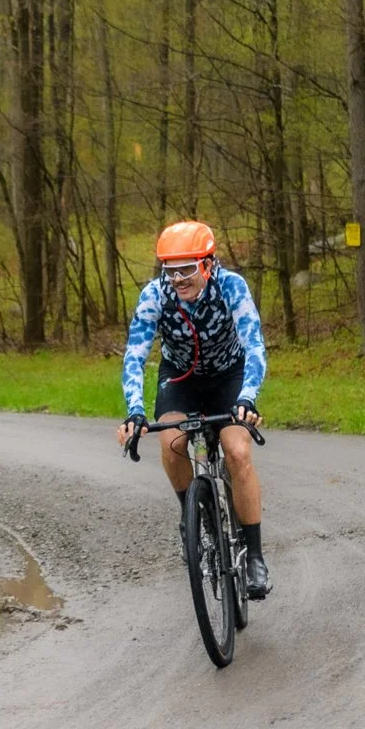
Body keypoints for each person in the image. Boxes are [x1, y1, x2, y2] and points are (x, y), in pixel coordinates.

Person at [115, 221, 273, 597]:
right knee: (171, 442)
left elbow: (254, 346)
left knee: (237, 451)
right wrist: (135, 411)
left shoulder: (231, 286)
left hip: (229, 377)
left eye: (187, 269)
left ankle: (254, 556)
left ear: (207, 263)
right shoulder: (155, 296)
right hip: (181, 378)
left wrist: (248, 398)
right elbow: (134, 358)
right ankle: (192, 514)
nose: (178, 279)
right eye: (170, 270)